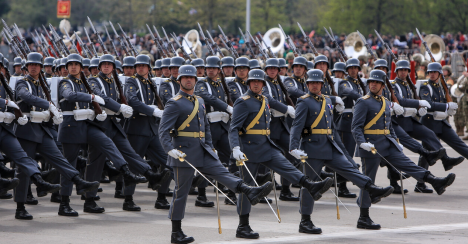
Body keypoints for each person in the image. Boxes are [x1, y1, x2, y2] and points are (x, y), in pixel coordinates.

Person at [159, 65, 273, 243]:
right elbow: (163, 130)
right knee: (181, 192)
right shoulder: (174, 102)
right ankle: (176, 232)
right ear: (179, 80)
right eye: (185, 78)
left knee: (223, 173)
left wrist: (210, 146)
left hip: (203, 150)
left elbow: (205, 128)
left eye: (192, 78)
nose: (189, 80)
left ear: (196, 81)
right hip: (183, 152)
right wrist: (169, 149)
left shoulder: (199, 101)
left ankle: (248, 190)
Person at [229, 69, 333, 238]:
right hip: (249, 148)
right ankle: (243, 225)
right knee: (247, 187)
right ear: (248, 84)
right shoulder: (243, 102)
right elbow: (234, 128)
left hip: (266, 145)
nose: (256, 84)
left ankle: (310, 185)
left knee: (287, 166)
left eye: (259, 82)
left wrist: (290, 110)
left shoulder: (265, 98)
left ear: (263, 84)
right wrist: (235, 148)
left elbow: (280, 106)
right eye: (253, 82)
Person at [290, 69, 393, 233]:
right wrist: (293, 147)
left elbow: (331, 128)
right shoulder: (304, 102)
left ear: (322, 85)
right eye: (311, 83)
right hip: (312, 148)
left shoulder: (326, 101)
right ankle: (305, 221)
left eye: (317, 83)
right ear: (307, 84)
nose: (315, 85)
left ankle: (371, 188)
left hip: (330, 146)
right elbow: (296, 126)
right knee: (309, 185)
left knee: (351, 169)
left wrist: (343, 151)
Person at [352, 69, 456, 230]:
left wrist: (396, 141)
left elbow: (389, 126)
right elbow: (356, 127)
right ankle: (363, 217)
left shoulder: (386, 102)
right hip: (370, 146)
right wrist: (362, 142)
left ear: (382, 85)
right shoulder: (363, 102)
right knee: (368, 181)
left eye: (377, 82)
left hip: (387, 144)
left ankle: (434, 181)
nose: (373, 84)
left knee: (409, 165)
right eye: (371, 82)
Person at [15, 52, 100, 217]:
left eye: (37, 65)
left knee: (61, 160)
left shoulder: (42, 85)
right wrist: (48, 105)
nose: (34, 67)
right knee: (23, 170)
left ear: (40, 67)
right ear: (27, 67)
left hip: (43, 129)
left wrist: (53, 113)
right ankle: (20, 207)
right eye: (31, 65)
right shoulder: (22, 82)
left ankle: (77, 182)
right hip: (26, 132)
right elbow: (25, 96)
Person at [86, 54, 171, 212]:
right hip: (119, 126)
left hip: (136, 127)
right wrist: (124, 109)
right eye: (103, 64)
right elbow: (126, 100)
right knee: (96, 164)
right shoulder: (97, 81)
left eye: (109, 64)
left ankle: (160, 192)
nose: (140, 68)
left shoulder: (121, 82)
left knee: (167, 161)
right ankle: (100, 199)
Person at [123, 54, 173, 210]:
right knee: (133, 164)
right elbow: (132, 100)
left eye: (143, 66)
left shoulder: (150, 82)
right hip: (137, 128)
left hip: (152, 129)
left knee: (169, 162)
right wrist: (152, 111)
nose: (140, 68)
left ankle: (161, 197)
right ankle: (128, 199)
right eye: (138, 66)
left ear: (148, 68)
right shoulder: (132, 81)